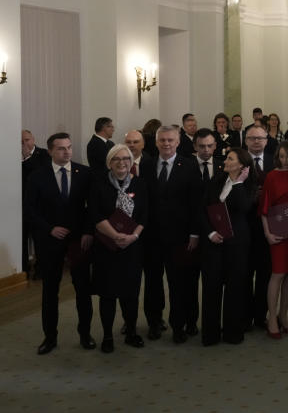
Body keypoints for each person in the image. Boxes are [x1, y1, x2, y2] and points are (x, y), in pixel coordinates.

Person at [25, 132, 95, 355]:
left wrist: (87, 232)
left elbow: (91, 208)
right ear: (51, 151)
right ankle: (50, 337)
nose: (67, 152)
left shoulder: (84, 173)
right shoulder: (37, 176)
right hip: (50, 241)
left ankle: (85, 334)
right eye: (62, 148)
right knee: (50, 291)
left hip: (78, 241)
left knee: (83, 289)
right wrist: (49, 229)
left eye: (70, 147)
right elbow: (30, 210)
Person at [145, 125, 203, 343]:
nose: (166, 144)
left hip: (180, 237)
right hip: (152, 236)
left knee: (178, 283)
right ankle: (154, 323)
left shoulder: (188, 166)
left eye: (170, 140)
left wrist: (195, 233)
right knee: (152, 283)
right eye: (162, 140)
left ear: (178, 142)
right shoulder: (148, 165)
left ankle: (178, 325)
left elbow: (196, 203)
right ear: (156, 142)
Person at [88, 144, 148, 353]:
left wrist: (133, 236)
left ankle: (131, 332)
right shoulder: (98, 184)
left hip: (132, 248)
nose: (122, 163)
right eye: (116, 159)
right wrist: (115, 236)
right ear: (109, 162)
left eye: (126, 159)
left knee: (130, 294)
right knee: (108, 294)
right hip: (106, 247)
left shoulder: (140, 185)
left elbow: (144, 215)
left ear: (131, 162)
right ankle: (106, 336)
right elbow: (95, 215)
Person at [201, 147, 258, 346]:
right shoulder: (216, 180)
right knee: (211, 287)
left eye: (230, 158)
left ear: (241, 165)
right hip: (213, 241)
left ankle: (233, 333)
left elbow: (243, 207)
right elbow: (204, 209)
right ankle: (211, 334)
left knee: (235, 288)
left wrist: (238, 182)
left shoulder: (249, 184)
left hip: (237, 243)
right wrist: (209, 232)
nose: (225, 160)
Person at [260, 140, 288, 339]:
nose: (285, 160)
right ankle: (272, 319)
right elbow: (264, 208)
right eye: (282, 156)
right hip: (277, 230)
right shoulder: (271, 176)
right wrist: (267, 233)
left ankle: (283, 315)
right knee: (277, 273)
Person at [243, 126, 275, 331]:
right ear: (246, 140)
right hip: (244, 226)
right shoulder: (237, 160)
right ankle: (245, 315)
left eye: (260, 138)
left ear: (266, 140)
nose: (256, 141)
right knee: (244, 274)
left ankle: (261, 315)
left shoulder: (275, 161)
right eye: (252, 138)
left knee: (265, 273)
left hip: (269, 227)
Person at [21, 129, 50, 273]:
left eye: (27, 140)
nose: (24, 143)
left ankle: (41, 268)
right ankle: (23, 268)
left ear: (33, 139)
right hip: (20, 204)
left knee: (39, 239)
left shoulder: (43, 154)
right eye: (21, 141)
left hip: (39, 205)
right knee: (22, 238)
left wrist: (26, 159)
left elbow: (40, 175)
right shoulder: (12, 155)